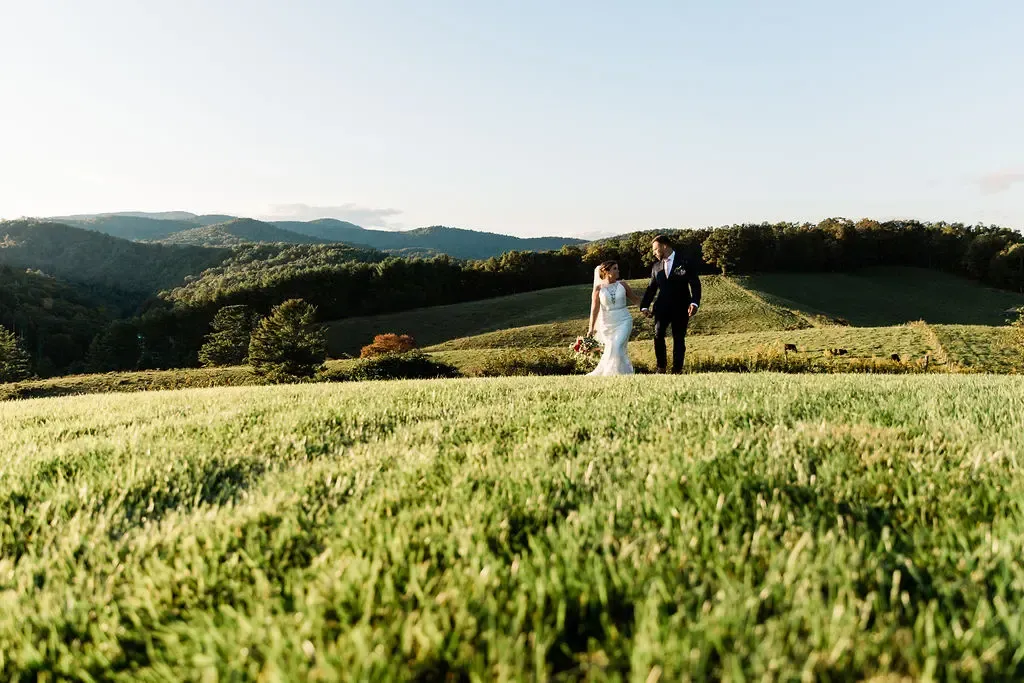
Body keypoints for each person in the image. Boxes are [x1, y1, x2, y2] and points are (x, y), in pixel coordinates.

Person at [639, 235, 702, 374]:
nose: (654, 252)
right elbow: (651, 288)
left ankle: (677, 369)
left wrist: (694, 303)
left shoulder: (685, 261)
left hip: (681, 307)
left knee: (679, 338)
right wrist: (644, 306)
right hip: (661, 308)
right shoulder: (656, 267)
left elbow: (695, 285)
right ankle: (661, 367)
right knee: (658, 334)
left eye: (655, 249)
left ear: (664, 246)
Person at [586, 260, 640, 376]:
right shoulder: (598, 288)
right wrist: (591, 328)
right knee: (611, 346)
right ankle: (624, 372)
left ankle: (611, 374)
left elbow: (635, 299)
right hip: (607, 323)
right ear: (606, 271)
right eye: (615, 268)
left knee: (617, 345)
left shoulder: (623, 285)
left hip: (624, 320)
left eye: (617, 268)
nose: (618, 271)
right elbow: (594, 309)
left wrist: (645, 308)